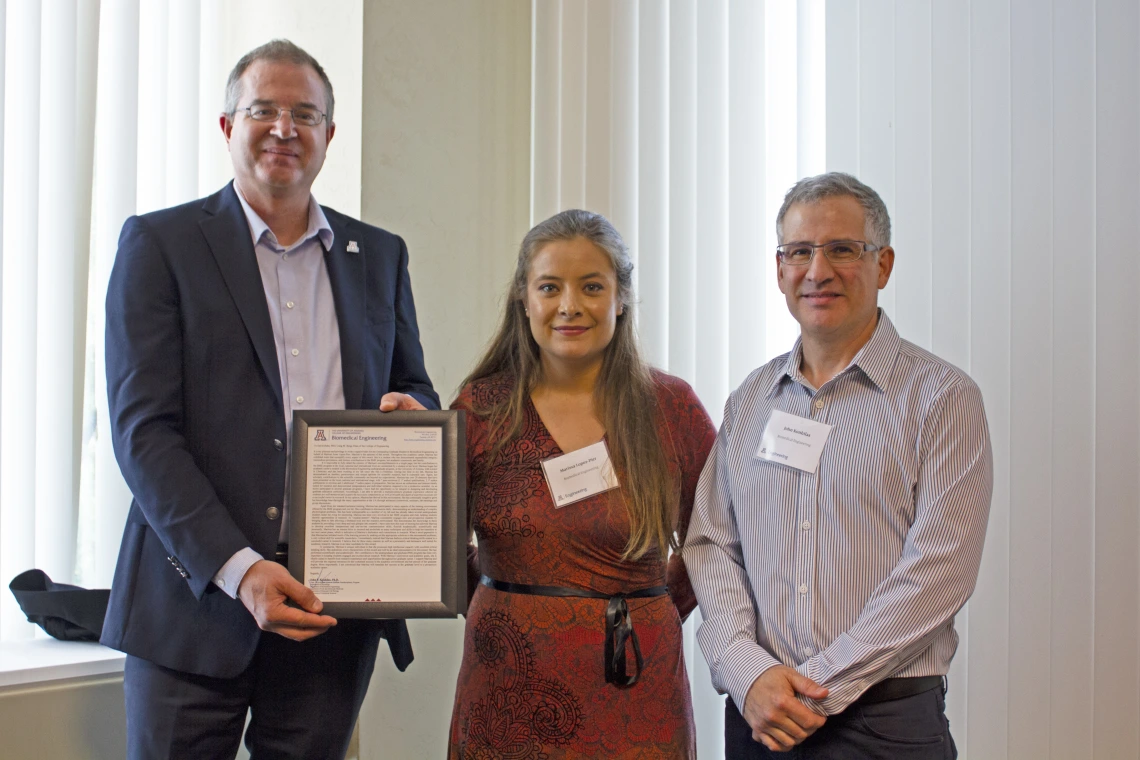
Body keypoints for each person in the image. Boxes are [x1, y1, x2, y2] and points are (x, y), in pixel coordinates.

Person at [101, 39, 437, 759]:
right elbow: (143, 434)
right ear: (227, 126)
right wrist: (240, 569)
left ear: (328, 137)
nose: (285, 129)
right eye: (264, 110)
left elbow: (411, 384)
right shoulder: (160, 245)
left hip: (332, 611)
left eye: (305, 114)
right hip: (192, 604)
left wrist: (409, 418)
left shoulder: (379, 256)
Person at [685, 172, 992, 759]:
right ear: (780, 270)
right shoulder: (749, 402)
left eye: (842, 250)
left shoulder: (943, 399)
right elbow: (710, 545)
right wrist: (747, 672)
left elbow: (939, 572)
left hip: (885, 726)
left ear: (884, 265)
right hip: (761, 722)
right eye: (799, 252)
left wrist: (815, 689)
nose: (818, 271)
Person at [446, 209, 716, 758]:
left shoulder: (671, 407)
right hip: (507, 684)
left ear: (620, 298)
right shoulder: (481, 408)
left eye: (592, 287)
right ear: (524, 298)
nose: (570, 305)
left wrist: (647, 606)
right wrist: (514, 607)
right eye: (550, 287)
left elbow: (713, 543)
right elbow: (434, 549)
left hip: (634, 680)